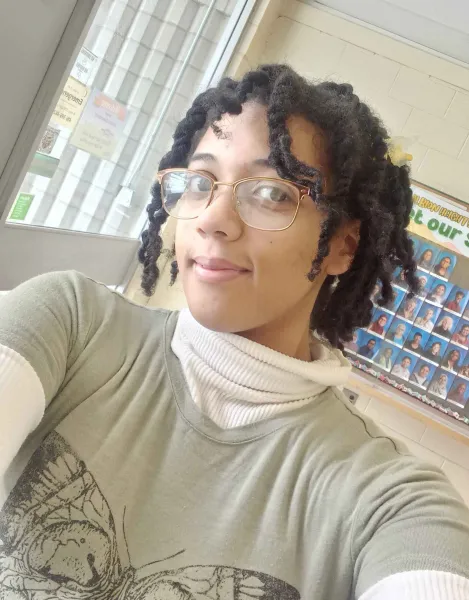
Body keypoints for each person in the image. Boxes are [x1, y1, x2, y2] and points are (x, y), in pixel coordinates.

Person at [1, 65, 468, 600]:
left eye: (270, 193)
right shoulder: (70, 324)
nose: (213, 218)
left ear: (343, 245)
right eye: (200, 183)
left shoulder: (390, 501)